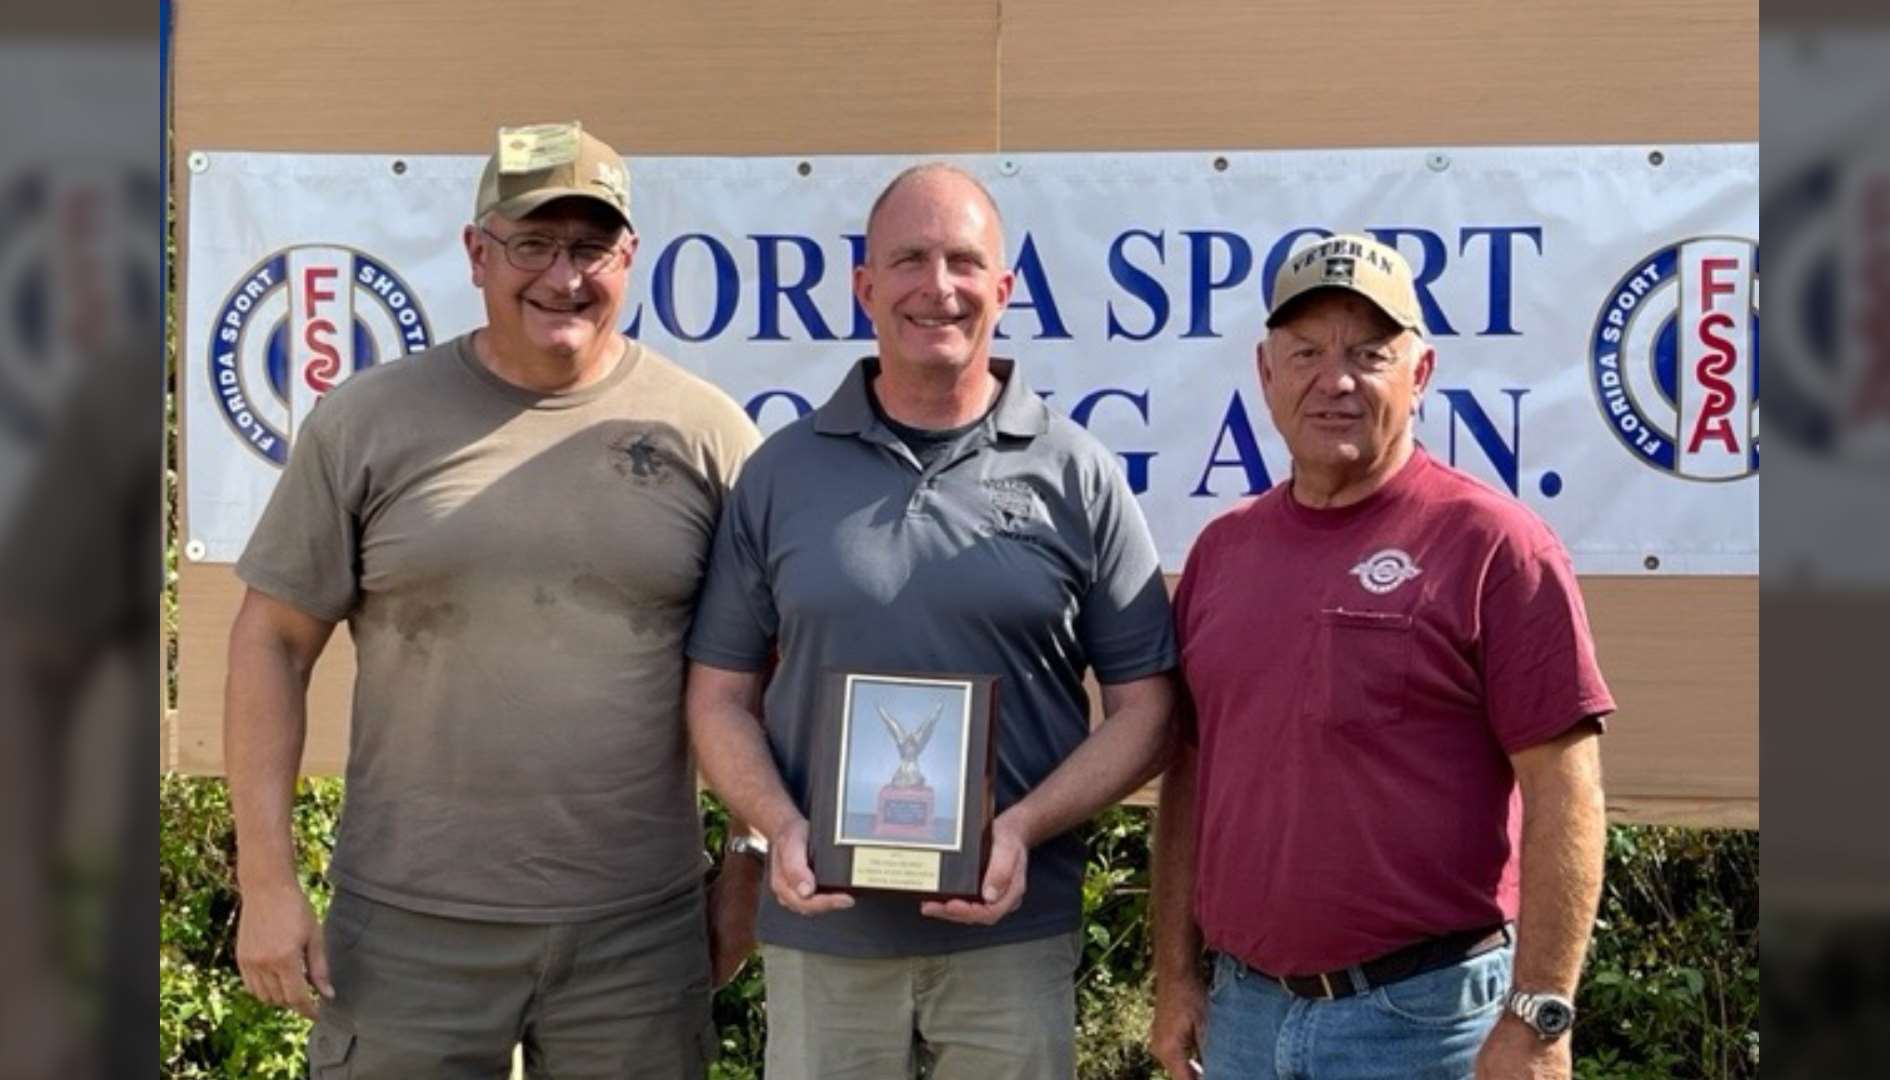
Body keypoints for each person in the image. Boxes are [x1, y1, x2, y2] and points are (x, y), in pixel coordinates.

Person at [224, 122, 763, 1078]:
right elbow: (272, 640)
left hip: (635, 939)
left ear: (629, 258)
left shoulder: (709, 435)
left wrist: (749, 861)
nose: (565, 276)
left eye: (591, 246)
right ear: (477, 253)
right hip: (404, 936)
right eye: (533, 244)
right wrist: (266, 880)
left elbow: (768, 666)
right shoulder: (368, 421)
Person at [684, 162, 1178, 1080]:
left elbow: (1147, 709)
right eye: (908, 260)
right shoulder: (781, 473)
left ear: (1005, 286)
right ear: (865, 287)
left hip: (1012, 939)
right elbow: (718, 697)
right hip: (822, 939)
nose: (937, 287)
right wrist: (780, 826)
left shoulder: (1077, 473)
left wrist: (1023, 828)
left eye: (963, 260)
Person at [1149, 234, 1613, 1080]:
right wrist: (1176, 975)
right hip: (1245, 1016)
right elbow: (1190, 773)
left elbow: (1565, 787)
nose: (1336, 380)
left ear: (1421, 372)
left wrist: (1541, 1016)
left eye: (1370, 353)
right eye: (1307, 352)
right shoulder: (1222, 554)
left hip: (1428, 1025)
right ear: (1266, 372)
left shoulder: (1495, 546)